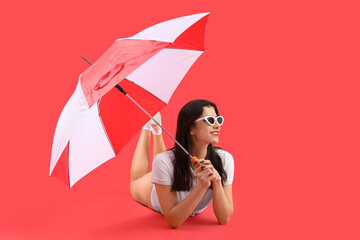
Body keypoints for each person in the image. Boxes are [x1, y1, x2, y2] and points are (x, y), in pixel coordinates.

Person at [129, 99, 234, 228]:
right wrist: (201, 186)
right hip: (154, 193)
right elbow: (174, 221)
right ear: (190, 128)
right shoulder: (164, 161)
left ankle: (157, 129)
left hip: (168, 170)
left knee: (163, 162)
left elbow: (224, 218)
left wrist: (217, 182)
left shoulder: (225, 160)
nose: (217, 125)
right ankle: (146, 128)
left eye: (218, 119)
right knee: (136, 180)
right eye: (210, 120)